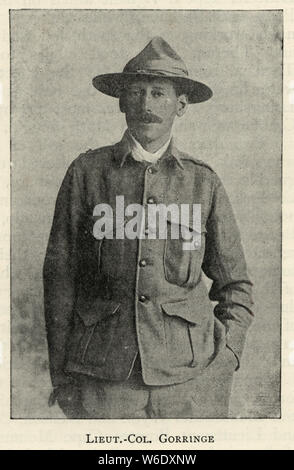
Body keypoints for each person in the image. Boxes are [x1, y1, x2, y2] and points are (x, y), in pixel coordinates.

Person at [43, 37, 254, 419]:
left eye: (159, 93)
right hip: (103, 379)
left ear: (182, 105)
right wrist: (62, 376)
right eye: (136, 93)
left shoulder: (203, 182)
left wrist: (227, 359)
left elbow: (236, 286)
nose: (146, 104)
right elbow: (59, 281)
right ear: (122, 102)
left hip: (190, 383)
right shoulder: (86, 174)